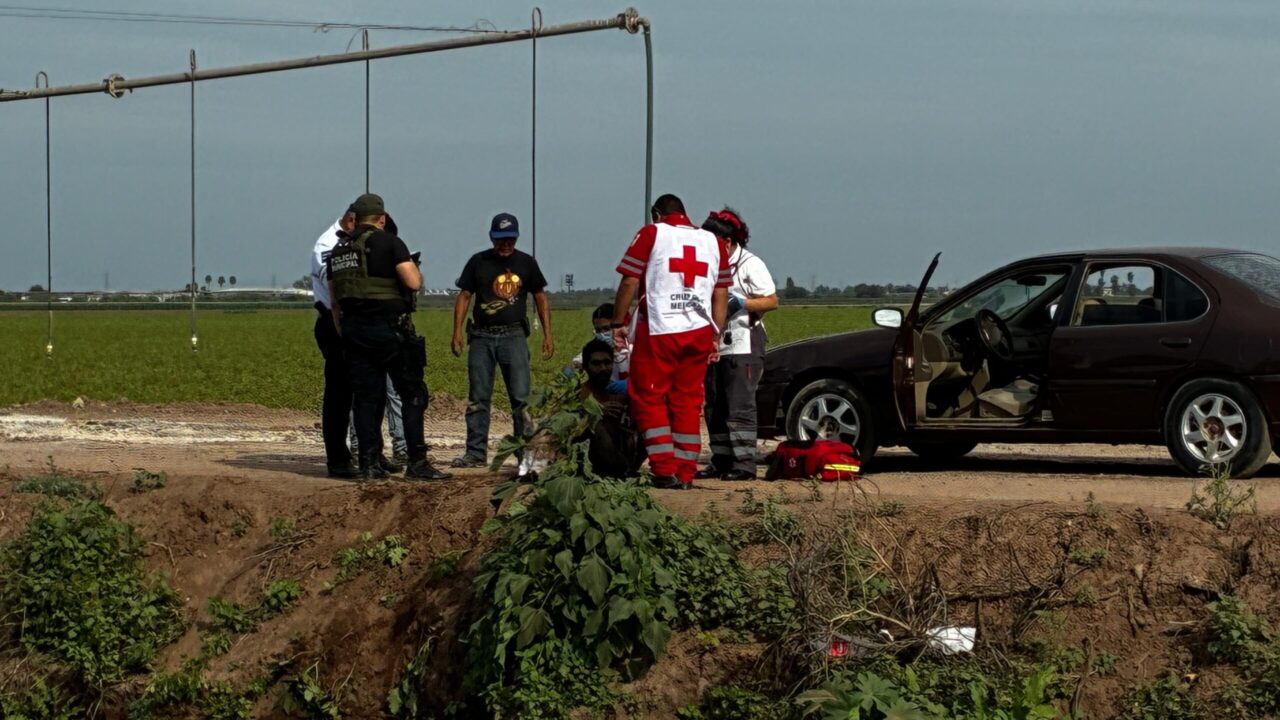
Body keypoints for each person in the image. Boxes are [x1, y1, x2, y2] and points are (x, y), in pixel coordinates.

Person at [326, 193, 450, 481]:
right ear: (381, 219)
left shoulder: (338, 252)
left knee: (367, 398)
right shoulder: (390, 243)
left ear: (355, 219)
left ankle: (369, 464)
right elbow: (413, 282)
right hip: (390, 331)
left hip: (354, 331)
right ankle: (417, 462)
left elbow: (335, 302)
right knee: (413, 393)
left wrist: (345, 332)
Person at [612, 193, 729, 489]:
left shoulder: (653, 233)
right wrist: (715, 334)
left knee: (648, 396)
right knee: (688, 401)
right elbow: (721, 293)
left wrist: (618, 322)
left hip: (660, 328)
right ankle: (686, 472)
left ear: (657, 214)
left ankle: (664, 469)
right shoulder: (714, 242)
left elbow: (629, 280)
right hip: (700, 329)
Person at [450, 212, 554, 468]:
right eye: (500, 239)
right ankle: (475, 453)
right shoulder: (478, 262)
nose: (505, 244)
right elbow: (464, 296)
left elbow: (540, 297)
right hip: (481, 337)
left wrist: (548, 335)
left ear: (516, 238)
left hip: (513, 336)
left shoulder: (526, 263)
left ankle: (524, 454)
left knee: (521, 398)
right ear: (491, 237)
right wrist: (457, 331)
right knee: (478, 398)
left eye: (510, 239)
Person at [696, 208, 778, 480]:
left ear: (728, 241)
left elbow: (772, 300)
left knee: (739, 404)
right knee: (715, 404)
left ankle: (744, 464)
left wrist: (742, 303)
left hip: (744, 344)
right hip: (716, 343)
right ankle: (720, 460)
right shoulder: (709, 265)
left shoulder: (751, 264)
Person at [578, 338, 644, 478]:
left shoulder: (621, 391)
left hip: (624, 452)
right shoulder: (579, 395)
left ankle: (628, 469)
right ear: (585, 366)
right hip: (593, 459)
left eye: (607, 363)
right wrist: (595, 414)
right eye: (596, 364)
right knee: (597, 427)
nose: (603, 368)